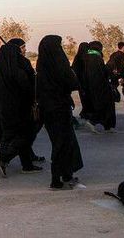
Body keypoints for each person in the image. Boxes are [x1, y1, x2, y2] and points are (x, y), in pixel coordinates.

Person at [37, 35, 83, 190]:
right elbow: (72, 82)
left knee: (60, 142)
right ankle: (56, 179)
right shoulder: (59, 63)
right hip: (60, 108)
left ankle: (66, 174)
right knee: (62, 143)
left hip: (47, 109)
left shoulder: (42, 65)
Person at [0, 41, 42, 177]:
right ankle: (4, 157)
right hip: (20, 108)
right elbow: (28, 88)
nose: (22, 51)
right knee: (25, 135)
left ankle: (27, 165)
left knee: (12, 134)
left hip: (3, 108)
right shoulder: (17, 70)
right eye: (21, 49)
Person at [82, 41, 116, 133]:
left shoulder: (87, 57)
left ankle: (107, 126)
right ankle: (93, 122)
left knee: (102, 105)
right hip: (101, 86)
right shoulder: (96, 57)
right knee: (105, 105)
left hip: (92, 86)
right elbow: (102, 71)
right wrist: (110, 69)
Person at [72, 42, 91, 121]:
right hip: (86, 81)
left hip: (80, 82)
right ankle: (86, 113)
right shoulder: (87, 57)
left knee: (84, 98)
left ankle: (85, 113)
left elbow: (74, 69)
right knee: (88, 98)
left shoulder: (77, 57)